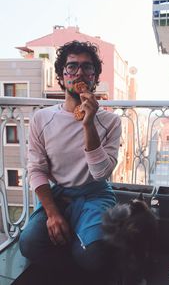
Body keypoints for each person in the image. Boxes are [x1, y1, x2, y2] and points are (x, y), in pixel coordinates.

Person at [19, 40, 122, 284]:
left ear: (95, 77)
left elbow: (100, 174)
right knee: (29, 244)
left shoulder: (110, 121)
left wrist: (88, 124)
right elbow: (36, 169)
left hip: (95, 194)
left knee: (92, 256)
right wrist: (52, 213)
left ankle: (85, 249)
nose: (79, 73)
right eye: (72, 67)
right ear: (61, 75)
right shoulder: (42, 118)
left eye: (87, 68)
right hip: (59, 195)